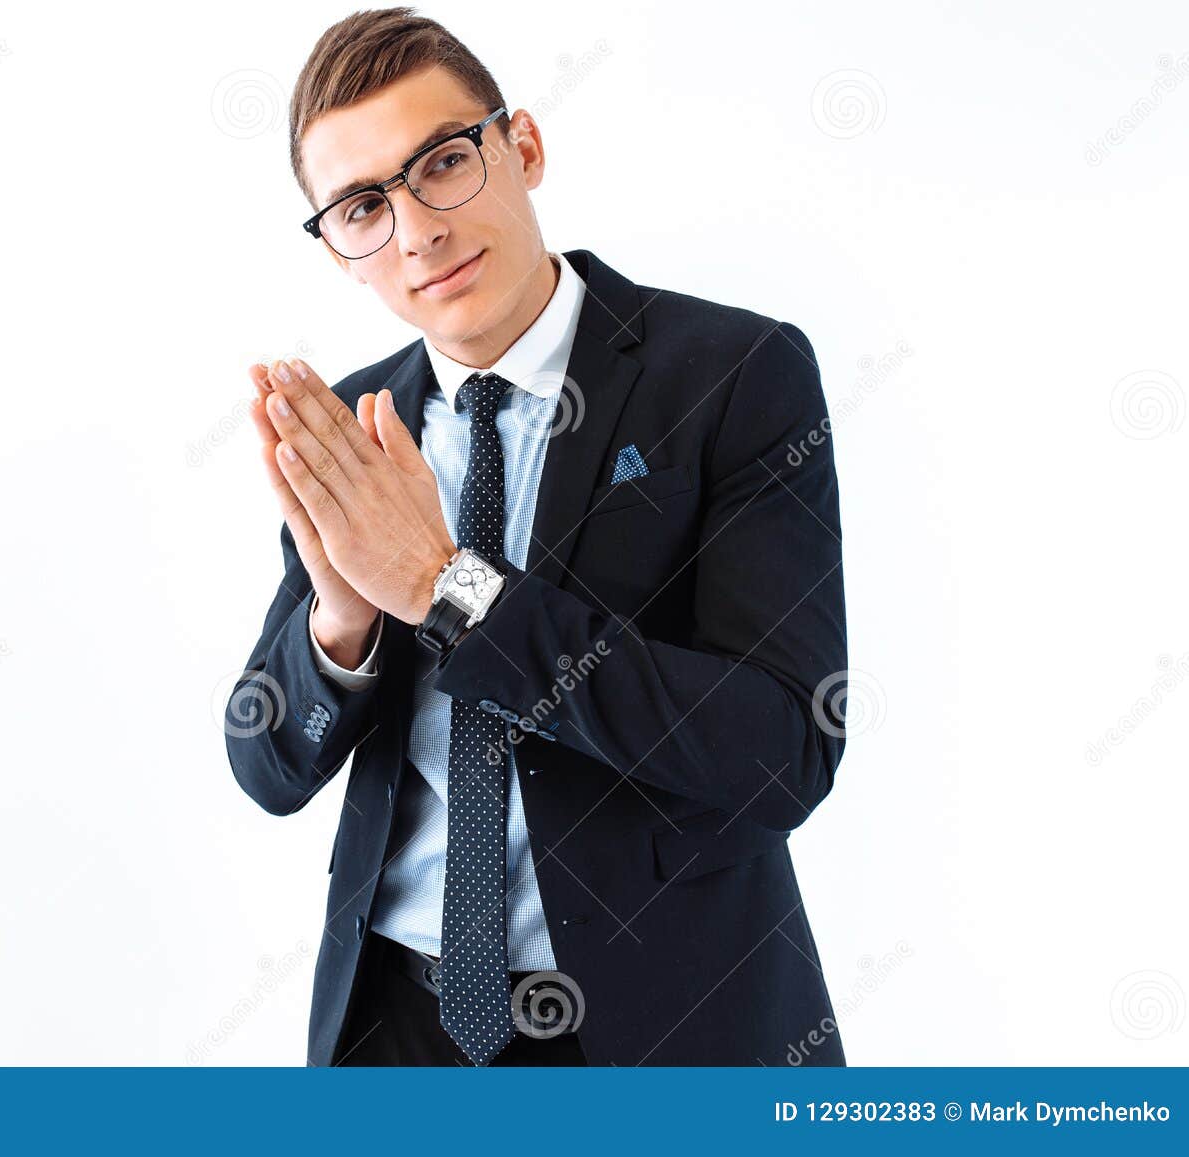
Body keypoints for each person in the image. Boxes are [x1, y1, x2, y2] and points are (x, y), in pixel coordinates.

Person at [224, 6, 849, 1067]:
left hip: (664, 1022)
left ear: (522, 148)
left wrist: (445, 585)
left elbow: (780, 750)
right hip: (393, 1029)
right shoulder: (355, 424)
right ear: (337, 249)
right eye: (362, 207)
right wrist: (341, 620)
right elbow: (266, 761)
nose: (415, 229)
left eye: (442, 163)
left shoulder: (733, 376)